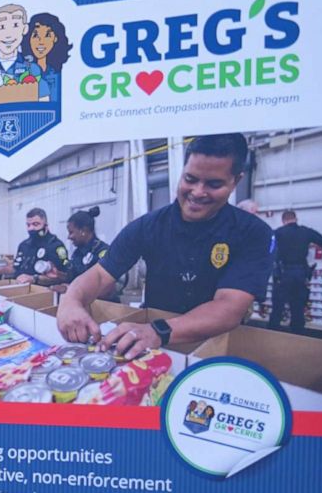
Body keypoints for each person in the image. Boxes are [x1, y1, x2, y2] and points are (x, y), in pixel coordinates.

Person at [57, 133, 274, 359]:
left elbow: (229, 307)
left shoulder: (253, 233)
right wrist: (71, 300)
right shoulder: (147, 226)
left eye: (214, 184)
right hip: (154, 346)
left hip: (214, 347)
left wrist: (158, 331)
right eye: (190, 179)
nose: (198, 192)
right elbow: (101, 275)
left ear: (235, 181)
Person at [268, 209, 322, 334]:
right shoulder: (306, 231)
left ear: (283, 220)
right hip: (301, 273)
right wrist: (309, 246)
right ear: (296, 219)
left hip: (283, 273)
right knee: (298, 306)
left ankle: (272, 332)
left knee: (278, 306)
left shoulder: (278, 233)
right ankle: (297, 334)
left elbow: (269, 249)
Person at [7, 208, 68, 287]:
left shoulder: (57, 246)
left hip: (44, 294)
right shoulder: (23, 245)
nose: (31, 228)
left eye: (36, 224)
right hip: (20, 290)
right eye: (28, 225)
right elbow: (15, 268)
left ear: (45, 225)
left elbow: (62, 277)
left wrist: (34, 279)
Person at [23, 12, 69, 102]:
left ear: (55, 38)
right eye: (36, 35)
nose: (41, 42)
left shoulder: (57, 72)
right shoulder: (23, 69)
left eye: (47, 35)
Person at [65, 207, 109, 278]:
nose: (68, 237)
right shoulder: (77, 253)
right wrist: (58, 276)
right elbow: (72, 277)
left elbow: (103, 282)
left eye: (71, 232)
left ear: (83, 231)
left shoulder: (103, 253)